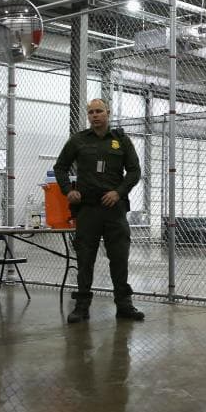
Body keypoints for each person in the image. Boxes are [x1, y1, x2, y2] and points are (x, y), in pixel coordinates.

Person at [54, 98, 144, 323]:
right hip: (88, 210)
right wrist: (68, 190)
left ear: (108, 113)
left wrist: (119, 192)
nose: (95, 115)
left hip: (114, 209)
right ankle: (82, 307)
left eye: (99, 111)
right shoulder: (78, 140)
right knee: (85, 259)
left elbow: (134, 171)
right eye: (91, 112)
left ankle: (124, 305)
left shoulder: (121, 141)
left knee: (119, 258)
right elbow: (60, 167)